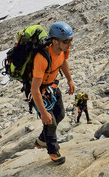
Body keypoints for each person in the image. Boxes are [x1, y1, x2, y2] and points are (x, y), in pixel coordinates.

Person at [28, 21, 76, 165]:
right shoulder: (41, 58)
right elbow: (34, 89)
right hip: (40, 91)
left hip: (52, 86)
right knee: (50, 121)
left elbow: (62, 62)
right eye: (66, 41)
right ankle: (53, 151)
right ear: (55, 41)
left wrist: (70, 80)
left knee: (60, 114)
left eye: (71, 40)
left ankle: (42, 140)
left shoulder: (62, 49)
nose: (70, 44)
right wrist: (43, 112)